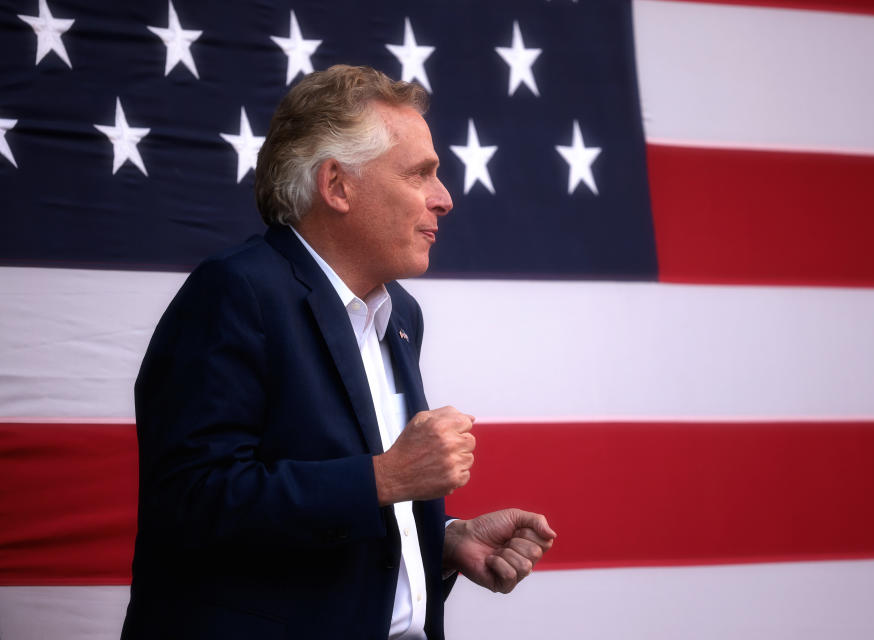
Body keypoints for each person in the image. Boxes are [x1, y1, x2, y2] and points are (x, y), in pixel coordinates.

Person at [120, 64, 556, 640]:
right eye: (420, 174)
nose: (444, 199)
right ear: (337, 186)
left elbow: (352, 495)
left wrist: (442, 539)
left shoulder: (400, 314)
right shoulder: (235, 291)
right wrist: (385, 477)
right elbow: (192, 502)